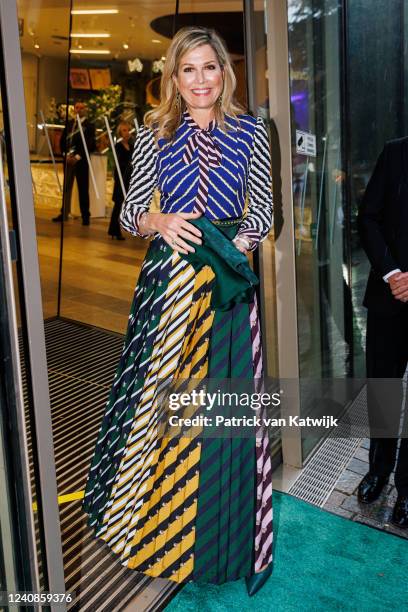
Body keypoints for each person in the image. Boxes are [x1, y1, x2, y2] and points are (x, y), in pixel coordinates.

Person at [82, 26, 274, 595]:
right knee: (155, 402)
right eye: (187, 70)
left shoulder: (252, 133)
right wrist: (157, 221)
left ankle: (219, 534)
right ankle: (142, 527)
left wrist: (229, 255)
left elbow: (261, 211)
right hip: (166, 283)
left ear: (224, 73)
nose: (199, 80)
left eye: (209, 68)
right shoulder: (153, 136)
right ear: (173, 77)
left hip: (227, 287)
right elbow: (130, 213)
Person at [357, 138, 408, 528]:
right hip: (388, 295)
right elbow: (368, 216)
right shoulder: (394, 152)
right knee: (383, 387)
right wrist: (391, 272)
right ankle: (378, 470)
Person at [53, 101, 96, 225]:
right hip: (68, 161)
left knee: (83, 189)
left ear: (85, 110)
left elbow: (90, 144)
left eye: (82, 108)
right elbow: (63, 141)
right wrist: (66, 155)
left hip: (81, 162)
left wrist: (77, 157)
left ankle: (85, 216)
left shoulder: (90, 126)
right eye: (77, 107)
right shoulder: (70, 123)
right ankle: (64, 213)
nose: (79, 110)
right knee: (66, 188)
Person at [108, 121, 134, 240]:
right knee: (118, 203)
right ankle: (114, 230)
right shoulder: (118, 146)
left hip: (130, 178)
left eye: (128, 130)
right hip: (121, 178)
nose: (127, 132)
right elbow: (119, 163)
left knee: (128, 203)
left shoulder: (132, 145)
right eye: (124, 130)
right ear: (119, 132)